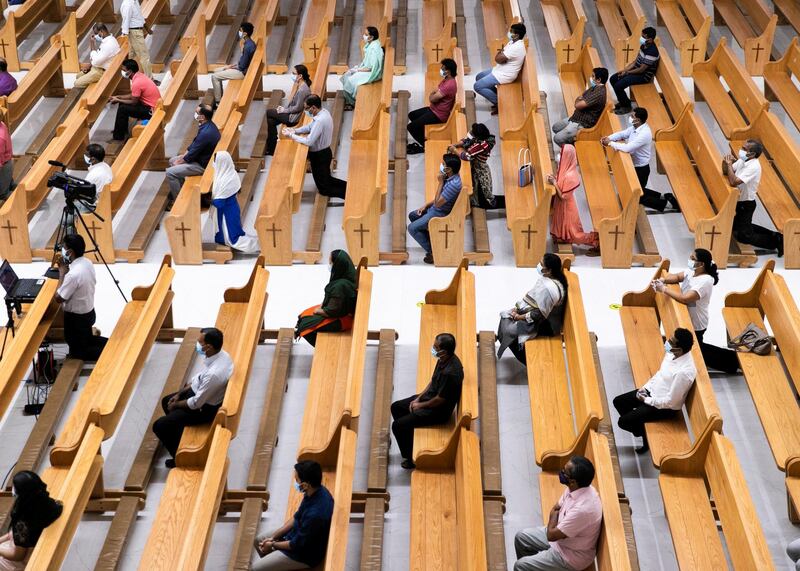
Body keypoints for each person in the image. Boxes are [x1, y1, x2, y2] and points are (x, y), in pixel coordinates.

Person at [152, 327, 233, 468]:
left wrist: (176, 405)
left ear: (208, 347)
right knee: (167, 400)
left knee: (159, 425)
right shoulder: (221, 355)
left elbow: (196, 403)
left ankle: (180, 458)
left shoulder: (215, 374)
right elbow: (199, 378)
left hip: (205, 409)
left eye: (199, 342)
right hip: (202, 395)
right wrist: (179, 394)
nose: (197, 344)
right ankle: (177, 435)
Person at [651, 249, 740, 374]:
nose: (690, 260)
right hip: (688, 316)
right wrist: (664, 280)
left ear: (701, 264)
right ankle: (732, 360)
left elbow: (686, 299)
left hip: (696, 322)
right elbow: (677, 276)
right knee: (697, 348)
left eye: (693, 258)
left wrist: (664, 289)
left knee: (698, 350)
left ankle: (734, 361)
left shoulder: (705, 281)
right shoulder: (693, 271)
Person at [613, 327, 696, 453]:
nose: (667, 342)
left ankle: (644, 435)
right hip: (650, 391)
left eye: (671, 341)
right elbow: (660, 374)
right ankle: (641, 428)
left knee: (623, 422)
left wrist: (647, 400)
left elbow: (671, 402)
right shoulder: (671, 353)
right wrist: (645, 387)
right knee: (619, 401)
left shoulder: (684, 373)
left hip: (663, 407)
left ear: (679, 350)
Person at [513, 456, 602, 571]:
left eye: (564, 472)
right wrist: (553, 522)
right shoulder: (575, 488)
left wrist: (553, 524)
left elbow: (551, 535)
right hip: (561, 538)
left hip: (570, 556)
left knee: (520, 566)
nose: (561, 472)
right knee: (521, 538)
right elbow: (556, 508)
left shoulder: (583, 509)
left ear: (573, 481)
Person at [391, 333, 463, 469]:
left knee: (397, 426)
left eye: (436, 347)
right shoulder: (443, 359)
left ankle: (410, 457)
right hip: (429, 398)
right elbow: (432, 381)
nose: (433, 348)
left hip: (437, 411)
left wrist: (419, 405)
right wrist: (418, 398)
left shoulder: (451, 372)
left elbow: (439, 400)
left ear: (444, 351)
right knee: (396, 407)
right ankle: (409, 435)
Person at [252, 460, 334, 570]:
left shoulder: (315, 516)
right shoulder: (315, 491)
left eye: (297, 480)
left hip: (303, 554)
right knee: (259, 540)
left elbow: (295, 545)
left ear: (305, 485)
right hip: (297, 535)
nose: (295, 482)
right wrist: (273, 538)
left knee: (256, 569)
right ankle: (272, 563)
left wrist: (272, 545)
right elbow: (297, 517)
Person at [601, 107, 679, 213]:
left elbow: (628, 148)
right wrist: (609, 138)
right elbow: (622, 134)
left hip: (641, 169)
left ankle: (667, 204)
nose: (630, 117)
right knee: (638, 189)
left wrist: (610, 143)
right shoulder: (635, 127)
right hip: (634, 164)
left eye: (632, 116)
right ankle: (663, 196)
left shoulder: (644, 133)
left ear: (638, 120)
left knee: (637, 195)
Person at [497, 253, 568, 365]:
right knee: (506, 316)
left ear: (549, 270)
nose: (539, 265)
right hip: (542, 317)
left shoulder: (549, 288)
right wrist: (517, 308)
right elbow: (532, 297)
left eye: (541, 264)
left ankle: (528, 361)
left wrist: (520, 316)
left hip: (547, 325)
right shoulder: (551, 279)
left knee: (508, 330)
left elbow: (540, 313)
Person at [723, 138, 784, 256]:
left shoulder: (754, 166)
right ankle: (776, 235)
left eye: (744, 149)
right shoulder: (743, 160)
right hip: (739, 201)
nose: (741, 150)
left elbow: (733, 181)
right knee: (742, 227)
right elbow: (727, 171)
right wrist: (726, 162)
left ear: (752, 154)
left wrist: (729, 164)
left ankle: (776, 241)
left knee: (744, 236)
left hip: (746, 204)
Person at [54, 234, 108, 361]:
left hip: (76, 320)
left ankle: (114, 353)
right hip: (88, 313)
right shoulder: (87, 262)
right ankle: (113, 346)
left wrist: (62, 274)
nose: (62, 249)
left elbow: (59, 297)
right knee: (87, 340)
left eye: (63, 247)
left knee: (78, 352)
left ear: (70, 252)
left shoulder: (73, 275)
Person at [283, 95, 347, 200]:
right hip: (324, 152)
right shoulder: (324, 112)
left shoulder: (320, 121)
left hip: (319, 156)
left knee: (324, 188)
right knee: (327, 179)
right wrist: (295, 131)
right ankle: (348, 188)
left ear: (313, 107)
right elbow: (309, 127)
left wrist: (291, 136)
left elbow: (309, 141)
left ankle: (350, 196)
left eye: (307, 108)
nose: (306, 111)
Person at [0, 471, 63, 570]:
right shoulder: (45, 502)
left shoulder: (23, 521)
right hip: (31, 546)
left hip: (27, 559)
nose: (12, 489)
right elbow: (12, 534)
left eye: (14, 486)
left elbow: (18, 556)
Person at [407, 153, 462, 264]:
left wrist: (440, 183)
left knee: (412, 228)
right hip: (435, 208)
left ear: (449, 169)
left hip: (440, 213)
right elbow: (440, 198)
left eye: (443, 164)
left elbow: (438, 204)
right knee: (413, 215)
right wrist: (426, 205)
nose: (441, 165)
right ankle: (432, 238)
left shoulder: (454, 185)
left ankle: (434, 251)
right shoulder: (450, 177)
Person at [295, 250, 357, 347]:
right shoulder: (348, 277)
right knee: (303, 315)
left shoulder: (340, 286)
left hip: (342, 320)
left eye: (331, 263)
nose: (330, 265)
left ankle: (325, 347)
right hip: (342, 314)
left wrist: (318, 311)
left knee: (304, 327)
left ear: (338, 265)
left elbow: (332, 311)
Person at [548, 144, 599, 253]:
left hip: (567, 208)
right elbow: (559, 181)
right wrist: (554, 179)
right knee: (569, 232)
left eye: (562, 154)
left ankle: (597, 241)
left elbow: (563, 196)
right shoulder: (565, 168)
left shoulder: (571, 176)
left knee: (574, 234)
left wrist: (554, 183)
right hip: (562, 207)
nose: (560, 155)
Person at [166, 105, 220, 203]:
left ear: (202, 117)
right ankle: (181, 188)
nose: (195, 114)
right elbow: (194, 144)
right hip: (201, 157)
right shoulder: (208, 125)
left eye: (197, 113)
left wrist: (180, 162)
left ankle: (179, 201)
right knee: (172, 160)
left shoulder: (206, 133)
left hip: (203, 165)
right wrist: (182, 157)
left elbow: (191, 156)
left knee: (170, 172)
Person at [406, 57, 458, 154]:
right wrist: (433, 95)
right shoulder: (447, 79)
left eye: (443, 68)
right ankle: (423, 133)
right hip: (433, 108)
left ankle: (426, 145)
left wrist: (432, 95)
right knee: (411, 115)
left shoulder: (449, 85)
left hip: (439, 114)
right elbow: (436, 91)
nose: (441, 69)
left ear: (449, 71)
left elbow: (433, 98)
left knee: (410, 127)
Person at [210, 151, 259, 253]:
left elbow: (219, 203)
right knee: (233, 229)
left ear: (221, 162)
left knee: (232, 235)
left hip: (226, 212)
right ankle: (221, 239)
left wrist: (206, 200)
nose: (214, 163)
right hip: (231, 208)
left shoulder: (227, 179)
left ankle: (256, 246)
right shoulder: (230, 172)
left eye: (216, 161)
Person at [474, 22, 526, 113]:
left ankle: (499, 103)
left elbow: (498, 59)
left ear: (517, 35)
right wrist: (501, 56)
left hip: (505, 74)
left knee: (477, 86)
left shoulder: (517, 47)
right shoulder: (512, 42)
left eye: (511, 31)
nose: (509, 33)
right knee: (479, 76)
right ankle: (497, 95)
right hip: (500, 69)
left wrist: (500, 55)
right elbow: (500, 57)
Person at [448, 123, 502, 209]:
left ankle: (506, 203)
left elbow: (466, 156)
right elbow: (467, 141)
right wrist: (456, 145)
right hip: (475, 168)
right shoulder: (479, 138)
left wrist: (454, 150)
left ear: (478, 136)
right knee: (476, 191)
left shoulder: (482, 145)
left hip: (481, 172)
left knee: (485, 196)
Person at [609, 27, 659, 115]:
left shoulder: (652, 52)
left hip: (644, 76)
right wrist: (624, 70)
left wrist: (627, 73)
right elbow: (635, 62)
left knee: (618, 86)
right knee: (613, 78)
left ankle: (626, 107)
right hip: (636, 72)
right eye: (642, 36)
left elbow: (641, 69)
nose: (641, 38)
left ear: (650, 39)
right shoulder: (644, 46)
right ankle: (624, 101)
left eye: (643, 37)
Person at [552, 67, 608, 146]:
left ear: (598, 80)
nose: (591, 78)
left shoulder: (599, 93)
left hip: (582, 123)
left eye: (593, 76)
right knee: (555, 127)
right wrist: (578, 100)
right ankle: (570, 141)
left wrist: (578, 101)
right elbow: (580, 97)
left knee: (557, 138)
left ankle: (570, 151)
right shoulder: (594, 87)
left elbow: (578, 105)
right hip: (576, 117)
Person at [110, 59, 161, 141]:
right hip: (149, 105)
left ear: (129, 71)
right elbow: (134, 95)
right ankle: (122, 130)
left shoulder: (137, 82)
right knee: (122, 105)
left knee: (122, 109)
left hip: (151, 111)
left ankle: (118, 137)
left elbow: (134, 102)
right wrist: (119, 97)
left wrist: (118, 100)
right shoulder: (139, 75)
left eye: (124, 70)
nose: (122, 72)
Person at [266, 64, 311, 155]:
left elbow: (298, 108)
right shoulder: (301, 85)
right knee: (270, 121)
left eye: (294, 73)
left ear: (300, 76)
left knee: (268, 112)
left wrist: (284, 110)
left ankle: (271, 147)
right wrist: (284, 109)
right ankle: (271, 148)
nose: (292, 75)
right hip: (291, 113)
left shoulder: (303, 89)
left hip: (293, 118)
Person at [211, 22, 256, 106]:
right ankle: (220, 95)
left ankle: (218, 102)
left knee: (215, 77)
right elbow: (243, 61)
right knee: (216, 70)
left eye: (240, 30)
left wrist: (232, 68)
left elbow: (242, 66)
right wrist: (231, 66)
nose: (239, 32)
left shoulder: (248, 46)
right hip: (242, 69)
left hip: (242, 73)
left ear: (245, 33)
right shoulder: (249, 43)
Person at [340, 26, 384, 109]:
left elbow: (371, 68)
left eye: (366, 34)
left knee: (350, 80)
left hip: (372, 73)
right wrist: (357, 69)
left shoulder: (374, 49)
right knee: (346, 74)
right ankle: (349, 99)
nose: (364, 36)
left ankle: (352, 102)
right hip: (367, 69)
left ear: (371, 37)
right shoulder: (372, 44)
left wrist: (357, 70)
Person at [74, 24, 121, 89]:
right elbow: (98, 56)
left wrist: (92, 44)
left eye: (96, 33)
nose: (95, 36)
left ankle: (93, 93)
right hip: (98, 67)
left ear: (101, 32)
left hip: (101, 71)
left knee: (77, 84)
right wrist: (90, 65)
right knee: (78, 76)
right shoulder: (109, 39)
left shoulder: (108, 44)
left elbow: (96, 62)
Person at [119, 0, 152, 78]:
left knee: (132, 55)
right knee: (144, 56)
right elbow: (126, 20)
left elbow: (139, 16)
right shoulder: (128, 4)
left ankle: (129, 75)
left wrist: (147, 28)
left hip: (136, 31)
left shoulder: (134, 1)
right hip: (134, 32)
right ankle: (150, 79)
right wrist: (124, 35)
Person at [0, 118, 13, 200]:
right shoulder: (1, 123)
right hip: (7, 162)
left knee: (3, 194)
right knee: (9, 183)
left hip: (4, 167)